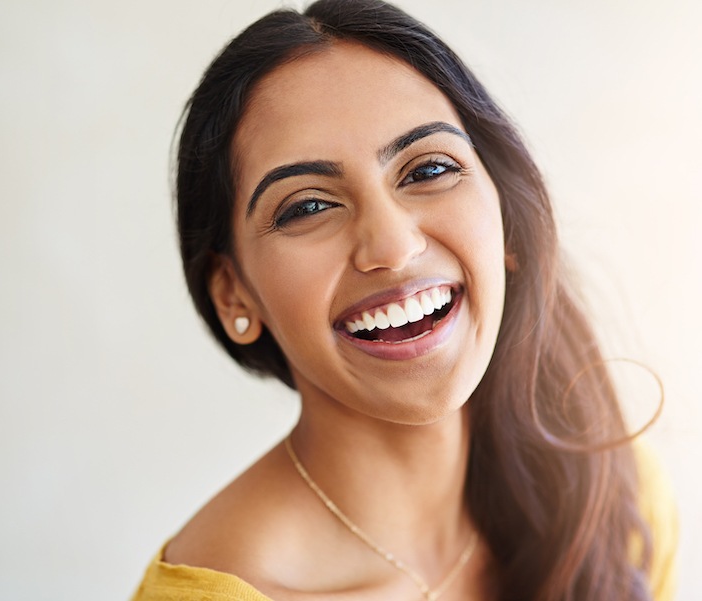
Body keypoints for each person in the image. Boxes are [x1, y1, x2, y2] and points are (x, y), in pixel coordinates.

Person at [132, 0, 678, 599]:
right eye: (308, 206)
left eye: (427, 169)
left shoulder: (617, 502)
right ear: (233, 293)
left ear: (508, 226)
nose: (392, 245)